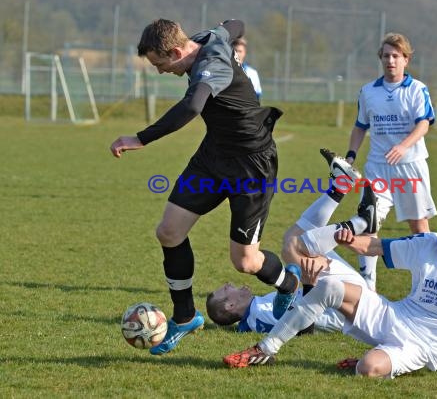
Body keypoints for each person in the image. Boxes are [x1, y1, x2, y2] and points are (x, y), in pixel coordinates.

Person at [109, 19, 299, 355]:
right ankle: (185, 317)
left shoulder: (211, 65)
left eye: (160, 64)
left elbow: (192, 107)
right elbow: (234, 24)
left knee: (245, 261)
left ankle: (288, 284)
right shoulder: (207, 38)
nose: (160, 71)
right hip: (213, 158)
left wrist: (140, 138)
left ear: (177, 51)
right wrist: (229, 31)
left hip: (251, 167)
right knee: (168, 231)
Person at [224, 194, 437, 380]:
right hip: (396, 315)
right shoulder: (429, 243)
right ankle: (266, 349)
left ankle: (368, 359)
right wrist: (347, 239)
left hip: (424, 344)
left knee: (369, 370)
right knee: (331, 287)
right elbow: (376, 247)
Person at [207, 158, 367, 333]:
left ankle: (343, 187)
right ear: (230, 305)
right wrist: (308, 286)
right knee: (291, 248)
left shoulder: (255, 313)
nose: (229, 284)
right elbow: (303, 326)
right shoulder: (259, 314)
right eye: (226, 289)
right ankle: (362, 220)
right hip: (343, 306)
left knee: (298, 240)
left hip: (342, 297)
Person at [343, 32, 437, 292]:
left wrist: (403, 146)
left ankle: (424, 286)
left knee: (419, 229)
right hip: (377, 168)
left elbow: (424, 124)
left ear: (406, 59)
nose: (390, 60)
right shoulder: (368, 92)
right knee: (368, 220)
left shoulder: (417, 89)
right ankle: (368, 287)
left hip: (411, 166)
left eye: (396, 56)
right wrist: (351, 155)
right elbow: (360, 126)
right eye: (386, 56)